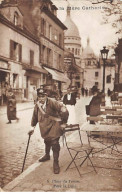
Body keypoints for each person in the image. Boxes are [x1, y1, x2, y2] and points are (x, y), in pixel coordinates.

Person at [28, 87, 69, 174]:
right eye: (40, 96)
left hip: (54, 126)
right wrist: (32, 127)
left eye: (43, 96)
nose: (41, 98)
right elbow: (34, 117)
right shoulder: (37, 105)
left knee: (54, 144)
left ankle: (56, 162)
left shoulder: (52, 102)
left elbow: (64, 109)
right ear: (38, 97)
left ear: (46, 96)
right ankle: (47, 155)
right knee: (47, 140)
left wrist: (64, 123)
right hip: (44, 127)